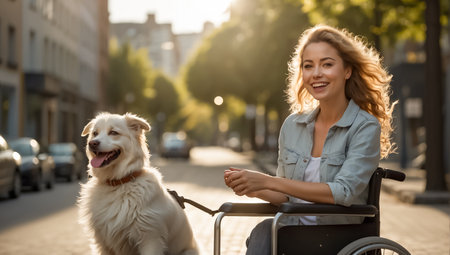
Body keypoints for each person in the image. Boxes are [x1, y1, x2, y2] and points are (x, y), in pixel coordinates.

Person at [224, 24, 396, 255]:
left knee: (266, 231)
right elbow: (286, 196)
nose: (316, 73)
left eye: (327, 64)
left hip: (338, 236)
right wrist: (253, 186)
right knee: (264, 231)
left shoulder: (364, 126)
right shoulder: (293, 126)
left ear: (347, 70)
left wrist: (269, 181)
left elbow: (344, 192)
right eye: (308, 66)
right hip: (292, 231)